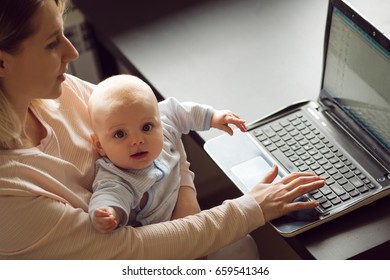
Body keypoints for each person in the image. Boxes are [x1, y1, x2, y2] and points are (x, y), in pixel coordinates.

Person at [0, 0, 324, 260]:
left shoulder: (57, 90)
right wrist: (250, 209)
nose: (72, 53)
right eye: (52, 43)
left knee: (242, 247)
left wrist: (184, 194)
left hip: (161, 227)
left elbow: (155, 125)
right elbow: (130, 251)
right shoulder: (8, 196)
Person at [87, 74, 247, 234]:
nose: (137, 140)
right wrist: (108, 212)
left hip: (186, 214)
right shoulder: (117, 177)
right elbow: (109, 194)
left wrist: (214, 116)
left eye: (146, 127)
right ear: (100, 145)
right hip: (164, 240)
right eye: (120, 134)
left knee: (246, 243)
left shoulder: (164, 127)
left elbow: (178, 112)